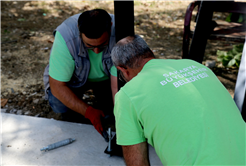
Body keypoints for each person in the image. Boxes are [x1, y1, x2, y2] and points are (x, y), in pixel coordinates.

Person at [111, 35, 245, 165]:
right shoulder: (195, 66)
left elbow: (137, 162)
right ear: (151, 53)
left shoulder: (127, 95)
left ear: (122, 69)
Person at [43, 9, 117, 136]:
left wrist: (120, 112)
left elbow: (121, 80)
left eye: (102, 44)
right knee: (59, 104)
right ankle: (77, 114)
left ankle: (106, 106)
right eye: (90, 46)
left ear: (110, 27)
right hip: (74, 80)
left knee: (113, 110)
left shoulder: (122, 31)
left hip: (107, 79)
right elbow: (57, 86)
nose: (97, 51)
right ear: (79, 29)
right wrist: (88, 112)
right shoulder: (66, 36)